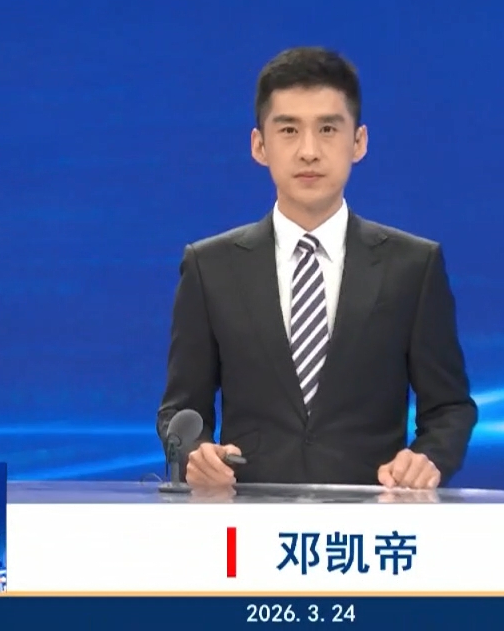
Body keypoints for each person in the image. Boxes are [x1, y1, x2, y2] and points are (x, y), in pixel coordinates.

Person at [156, 47, 477, 490]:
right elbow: (180, 410)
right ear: (259, 146)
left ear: (358, 142)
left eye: (328, 129)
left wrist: (428, 458)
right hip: (246, 519)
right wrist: (197, 454)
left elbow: (449, 408)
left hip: (371, 521)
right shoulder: (210, 267)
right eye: (289, 130)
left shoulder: (413, 267)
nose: (309, 151)